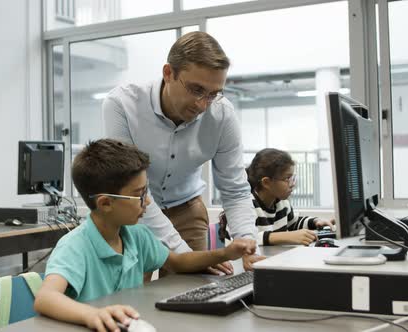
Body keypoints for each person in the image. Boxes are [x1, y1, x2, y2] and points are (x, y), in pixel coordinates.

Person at [34, 139, 256, 332]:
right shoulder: (75, 246)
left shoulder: (136, 235)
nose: (147, 202)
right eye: (139, 195)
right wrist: (91, 314)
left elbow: (178, 262)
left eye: (146, 192)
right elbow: (46, 298)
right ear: (105, 203)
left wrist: (225, 253)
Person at [103, 31, 263, 272]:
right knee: (134, 297)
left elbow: (236, 190)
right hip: (132, 212)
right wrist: (190, 258)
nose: (202, 104)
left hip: (187, 209)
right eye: (196, 89)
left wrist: (250, 246)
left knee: (193, 294)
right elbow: (134, 192)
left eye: (213, 93)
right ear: (168, 73)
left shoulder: (222, 114)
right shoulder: (122, 105)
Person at [219, 148, 335, 246]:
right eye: (287, 179)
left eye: (292, 178)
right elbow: (243, 241)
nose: (293, 184)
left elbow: (293, 223)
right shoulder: (246, 205)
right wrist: (286, 236)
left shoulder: (281, 203)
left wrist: (315, 222)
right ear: (267, 183)